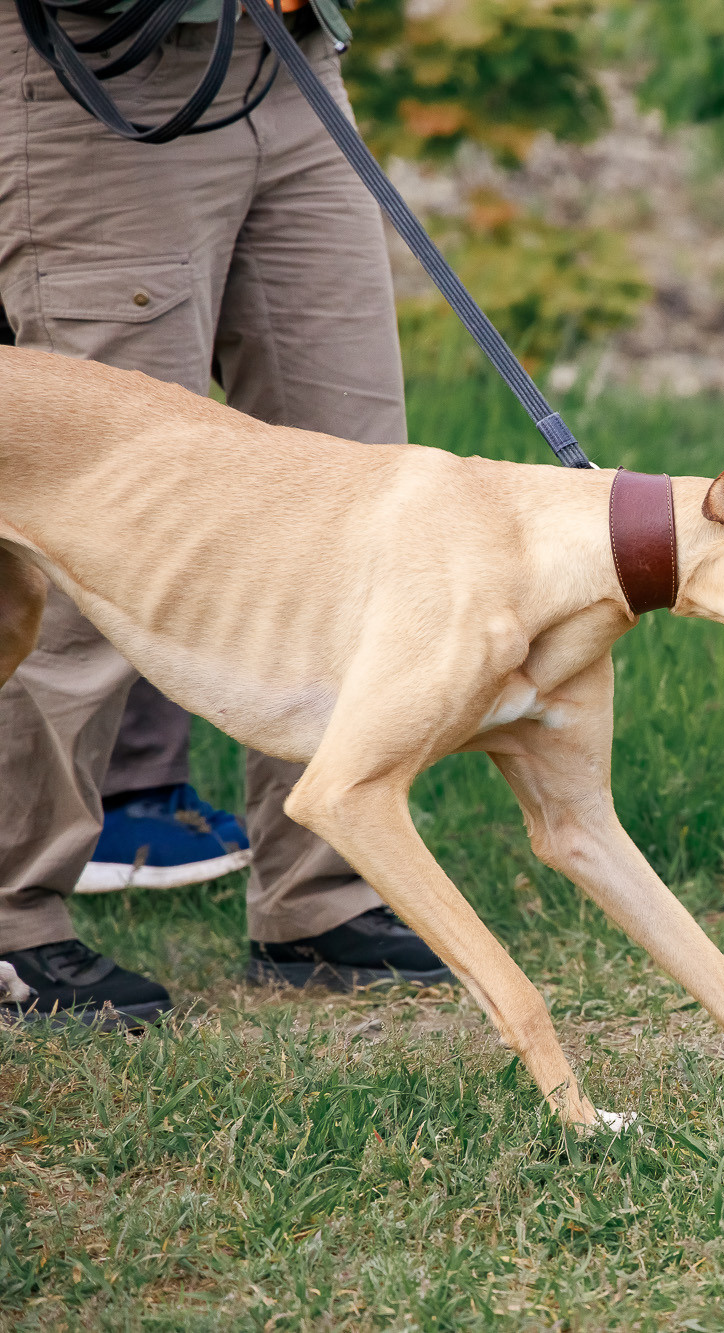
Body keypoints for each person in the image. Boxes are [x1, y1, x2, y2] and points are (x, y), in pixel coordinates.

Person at [0, 0, 448, 1026]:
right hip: (104, 76)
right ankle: (12, 921)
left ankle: (318, 896)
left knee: (356, 498)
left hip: (294, 62)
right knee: (98, 527)